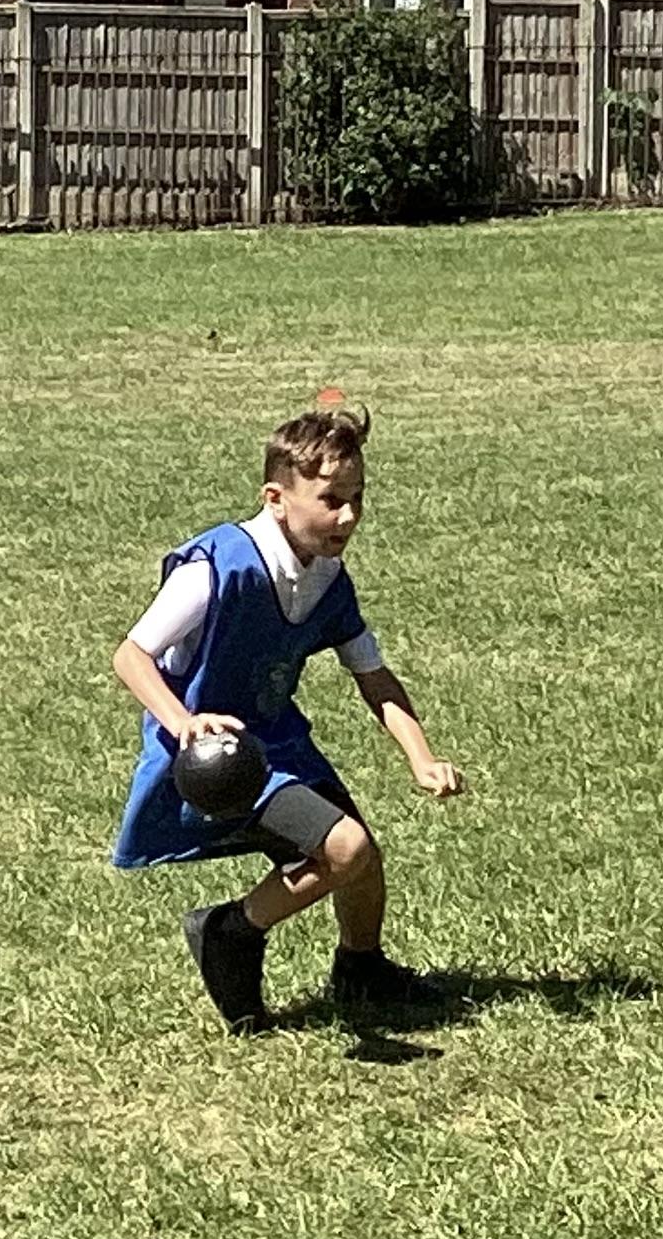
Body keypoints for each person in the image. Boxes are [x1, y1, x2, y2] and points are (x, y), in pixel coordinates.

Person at [110, 406, 462, 1033]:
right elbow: (131, 655)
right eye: (331, 501)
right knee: (346, 847)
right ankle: (229, 930)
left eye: (357, 498)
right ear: (275, 498)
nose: (348, 517)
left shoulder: (327, 578)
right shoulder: (217, 568)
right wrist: (184, 722)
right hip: (220, 753)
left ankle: (361, 968)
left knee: (362, 860)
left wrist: (421, 756)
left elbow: (373, 677)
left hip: (277, 742)